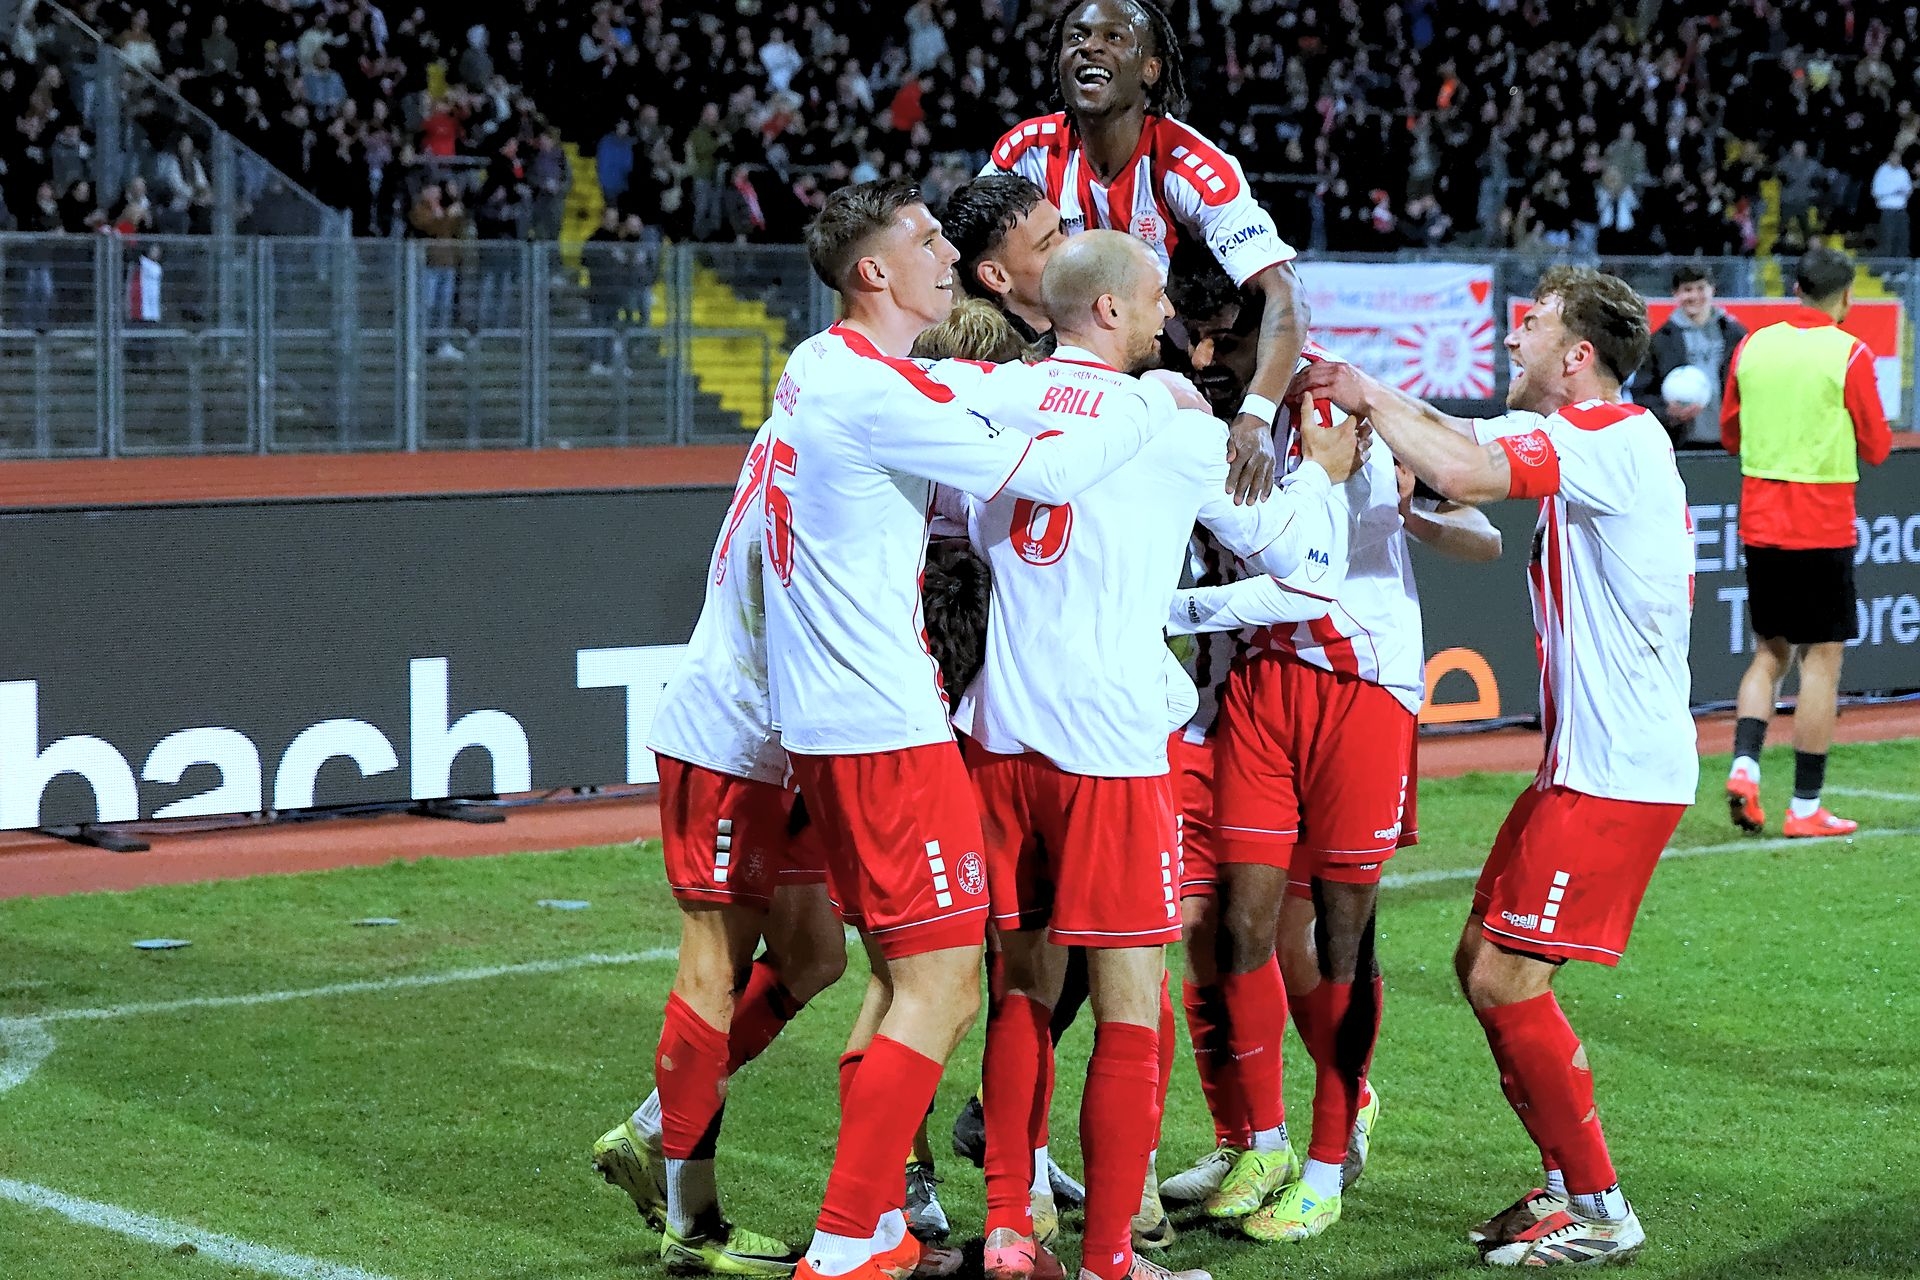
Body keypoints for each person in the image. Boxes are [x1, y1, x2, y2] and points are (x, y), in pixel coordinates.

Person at [769, 179, 1177, 1280]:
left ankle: (882, 1226)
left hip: (852, 721)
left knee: (915, 979)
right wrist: (1144, 406)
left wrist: (1038, 382)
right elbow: (1052, 468)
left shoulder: (822, 365)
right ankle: (848, 1240)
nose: (948, 251)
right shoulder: (878, 392)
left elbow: (962, 387)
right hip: (887, 727)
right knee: (944, 986)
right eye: (925, 240)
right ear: (874, 272)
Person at [956, 231, 1356, 1280]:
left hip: (1000, 734)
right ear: (1106, 310)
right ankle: (1109, 1258)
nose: (1168, 313)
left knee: (1022, 989)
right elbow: (1291, 552)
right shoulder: (1170, 425)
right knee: (1132, 1002)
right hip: (1112, 747)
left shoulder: (996, 397)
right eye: (1153, 298)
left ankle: (1007, 1224)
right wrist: (1321, 476)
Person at [1294, 265, 1696, 1267]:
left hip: (1617, 772)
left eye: (1532, 324)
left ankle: (1601, 1207)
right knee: (1481, 963)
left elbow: (1468, 471)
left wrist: (1365, 394)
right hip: (1581, 765)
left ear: (1577, 356)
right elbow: (1453, 448)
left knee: (1511, 979)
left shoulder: (1612, 434)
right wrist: (1348, 391)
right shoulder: (1583, 433)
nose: (1512, 338)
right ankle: (1566, 1181)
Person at [1156, 245, 1501, 1244]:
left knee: (1339, 938)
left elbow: (1465, 532)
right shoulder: (1195, 406)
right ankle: (1260, 1142)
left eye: (1222, 337)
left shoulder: (1334, 399)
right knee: (1237, 925)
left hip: (1361, 685)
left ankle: (1325, 1158)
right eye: (1193, 336)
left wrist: (1412, 509)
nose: (1205, 354)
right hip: (1259, 684)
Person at [589, 417, 849, 1277]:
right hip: (733, 743)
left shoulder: (807, 421)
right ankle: (692, 1224)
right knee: (714, 967)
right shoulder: (842, 443)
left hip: (780, 744)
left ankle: (652, 1130)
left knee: (815, 955)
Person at [983, 0, 1305, 507]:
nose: (1089, 47)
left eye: (1113, 38)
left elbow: (1285, 291)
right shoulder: (1027, 150)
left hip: (1180, 377)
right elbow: (967, 255)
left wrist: (1257, 416)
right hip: (1074, 362)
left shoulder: (1190, 164)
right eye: (1076, 37)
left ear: (1150, 69)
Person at [1720, 245, 1892, 838]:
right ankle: (1804, 807)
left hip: (1760, 522)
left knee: (1769, 654)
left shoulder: (1752, 345)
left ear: (1795, 288)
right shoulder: (1850, 353)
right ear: (1847, 297)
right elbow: (1877, 446)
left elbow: (1730, 434)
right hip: (1821, 524)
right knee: (1822, 660)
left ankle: (1744, 766)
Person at [940, 174, 1064, 348]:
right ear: (996, 277)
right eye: (1045, 245)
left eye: (1061, 228)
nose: (1069, 245)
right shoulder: (1003, 361)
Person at [1634, 265, 1747, 449]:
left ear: (1712, 290)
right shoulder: (1660, 340)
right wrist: (1667, 413)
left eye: (1701, 288)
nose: (1694, 296)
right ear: (1676, 294)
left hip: (1731, 442)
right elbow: (1642, 393)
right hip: (1681, 444)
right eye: (1687, 290)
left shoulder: (1735, 334)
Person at [1871, 151, 1912, 257]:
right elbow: (1876, 192)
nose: (1897, 160)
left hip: (1901, 209)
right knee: (1888, 237)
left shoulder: (1903, 171)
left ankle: (1901, 262)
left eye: (1899, 158)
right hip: (1887, 209)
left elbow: (1908, 188)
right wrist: (1894, 191)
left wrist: (1906, 192)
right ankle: (1887, 262)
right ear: (1889, 158)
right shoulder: (1882, 171)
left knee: (1902, 236)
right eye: (1894, 158)